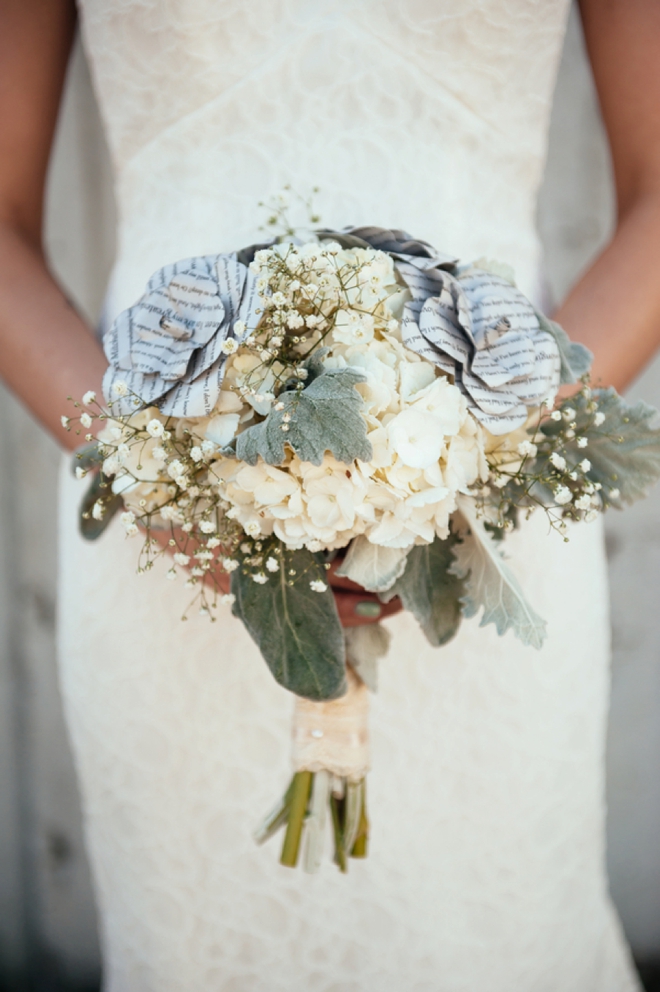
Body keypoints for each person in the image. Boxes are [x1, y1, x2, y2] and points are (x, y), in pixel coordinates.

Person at [1, 1, 659, 988]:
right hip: (164, 541)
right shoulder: (163, 499)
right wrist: (165, 481)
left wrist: (471, 467)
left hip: (490, 515)